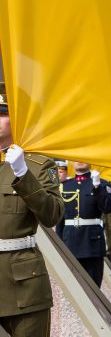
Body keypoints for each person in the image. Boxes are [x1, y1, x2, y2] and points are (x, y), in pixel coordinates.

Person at [0, 82, 64, 335]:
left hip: (23, 284)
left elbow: (52, 215)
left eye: (2, 113)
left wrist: (23, 174)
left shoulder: (37, 165)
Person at [56, 162, 111, 287]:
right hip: (70, 242)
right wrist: (59, 245)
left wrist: (97, 187)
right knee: (74, 286)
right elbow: (60, 220)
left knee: (94, 285)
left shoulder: (102, 184)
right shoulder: (64, 186)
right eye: (76, 159)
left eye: (82, 158)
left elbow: (107, 208)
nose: (79, 161)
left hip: (92, 243)